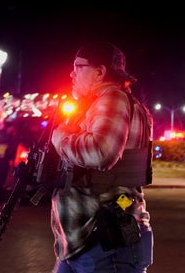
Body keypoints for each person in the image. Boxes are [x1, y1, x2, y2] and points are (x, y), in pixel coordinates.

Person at [50, 41, 154, 272]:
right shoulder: (104, 103)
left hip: (105, 244)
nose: (71, 73)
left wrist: (60, 138)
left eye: (78, 66)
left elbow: (101, 152)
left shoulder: (112, 98)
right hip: (86, 242)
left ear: (99, 71)